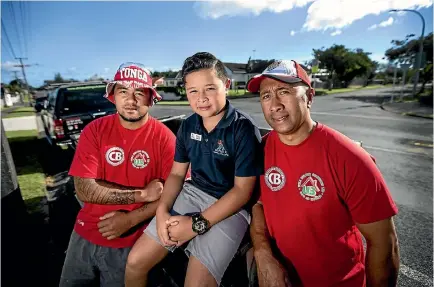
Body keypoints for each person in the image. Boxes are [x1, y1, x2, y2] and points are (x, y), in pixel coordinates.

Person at [247, 60, 400, 287]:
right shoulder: (260, 150)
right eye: (266, 95)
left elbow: (383, 244)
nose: (275, 105)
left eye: (284, 91)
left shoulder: (351, 158)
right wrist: (263, 253)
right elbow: (258, 204)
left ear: (309, 97)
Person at [125, 52, 264, 287]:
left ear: (226, 85)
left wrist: (196, 225)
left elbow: (242, 192)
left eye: (210, 88)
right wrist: (162, 212)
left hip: (232, 206)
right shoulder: (188, 125)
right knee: (135, 262)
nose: (201, 98)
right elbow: (178, 174)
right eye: (193, 91)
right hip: (193, 193)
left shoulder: (243, 129)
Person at [59, 62, 177, 286]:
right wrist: (142, 195)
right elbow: (84, 189)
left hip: (129, 243)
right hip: (83, 235)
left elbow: (173, 195)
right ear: (113, 95)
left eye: (139, 92)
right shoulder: (94, 130)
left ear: (151, 97)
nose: (131, 100)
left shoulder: (165, 139)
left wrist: (130, 219)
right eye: (123, 91)